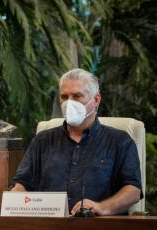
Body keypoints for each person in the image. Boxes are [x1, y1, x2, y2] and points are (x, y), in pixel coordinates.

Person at [10, 68, 143, 216]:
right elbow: (21, 183)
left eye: (77, 96)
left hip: (99, 225)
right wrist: (13, 203)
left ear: (96, 100)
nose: (69, 103)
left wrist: (102, 207)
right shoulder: (42, 140)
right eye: (64, 97)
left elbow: (133, 190)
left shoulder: (120, 141)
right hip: (50, 225)